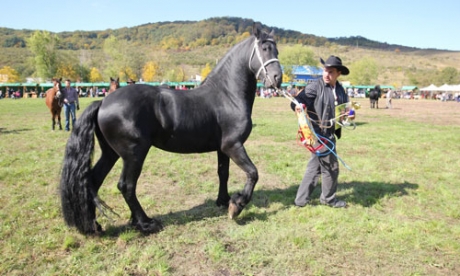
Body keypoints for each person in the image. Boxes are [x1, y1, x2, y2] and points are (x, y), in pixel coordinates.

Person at [290, 55, 350, 208]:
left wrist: (349, 114)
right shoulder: (315, 86)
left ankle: (300, 200)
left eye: (330, 72)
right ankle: (328, 200)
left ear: (338, 74)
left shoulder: (341, 90)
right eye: (325, 71)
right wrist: (299, 106)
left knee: (314, 167)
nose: (326, 75)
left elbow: (344, 110)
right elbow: (298, 101)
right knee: (331, 168)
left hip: (331, 134)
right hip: (319, 135)